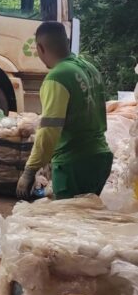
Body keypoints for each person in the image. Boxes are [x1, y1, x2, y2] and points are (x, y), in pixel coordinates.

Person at [16, 21, 112, 200]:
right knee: (86, 220)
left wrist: (29, 171)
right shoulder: (89, 68)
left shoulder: (57, 77)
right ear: (66, 42)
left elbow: (49, 131)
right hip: (100, 159)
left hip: (74, 165)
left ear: (40, 48)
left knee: (67, 224)